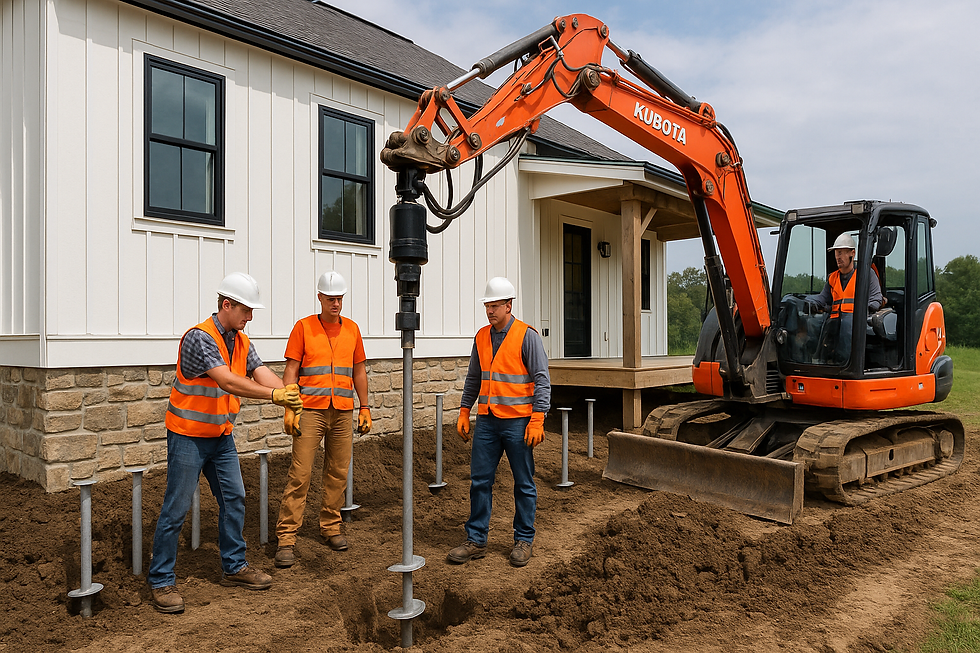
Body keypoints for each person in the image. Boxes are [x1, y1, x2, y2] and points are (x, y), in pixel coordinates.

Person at [149, 272, 304, 614]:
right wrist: (275, 395)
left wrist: (289, 397)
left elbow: (260, 372)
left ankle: (234, 567)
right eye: (246, 309)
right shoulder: (199, 338)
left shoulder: (241, 340)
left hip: (220, 437)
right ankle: (161, 579)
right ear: (226, 305)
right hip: (188, 436)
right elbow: (227, 381)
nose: (250, 317)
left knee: (234, 498)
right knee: (176, 508)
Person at [448, 276, 551, 568]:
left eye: (495, 305)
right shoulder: (481, 336)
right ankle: (476, 539)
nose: (490, 311)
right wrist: (463, 410)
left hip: (518, 423)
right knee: (480, 481)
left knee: (524, 483)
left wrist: (538, 418)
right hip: (488, 422)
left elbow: (542, 380)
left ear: (509, 305)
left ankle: (523, 540)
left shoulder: (526, 336)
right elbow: (473, 377)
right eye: (487, 305)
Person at [273, 271, 371, 568]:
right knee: (300, 474)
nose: (336, 304)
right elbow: (291, 370)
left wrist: (364, 406)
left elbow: (359, 371)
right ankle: (287, 538)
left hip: (342, 411)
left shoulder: (352, 330)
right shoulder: (303, 328)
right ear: (319, 298)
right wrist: (290, 406)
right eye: (330, 299)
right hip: (311, 410)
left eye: (339, 299)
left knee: (338, 472)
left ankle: (330, 526)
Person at [807, 233, 883, 363]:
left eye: (841, 252)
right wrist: (807, 302)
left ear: (852, 253)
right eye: (837, 253)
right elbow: (822, 298)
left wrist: (864, 311)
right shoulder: (833, 278)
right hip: (834, 326)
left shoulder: (866, 275)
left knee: (847, 325)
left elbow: (876, 299)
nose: (838, 257)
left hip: (855, 326)